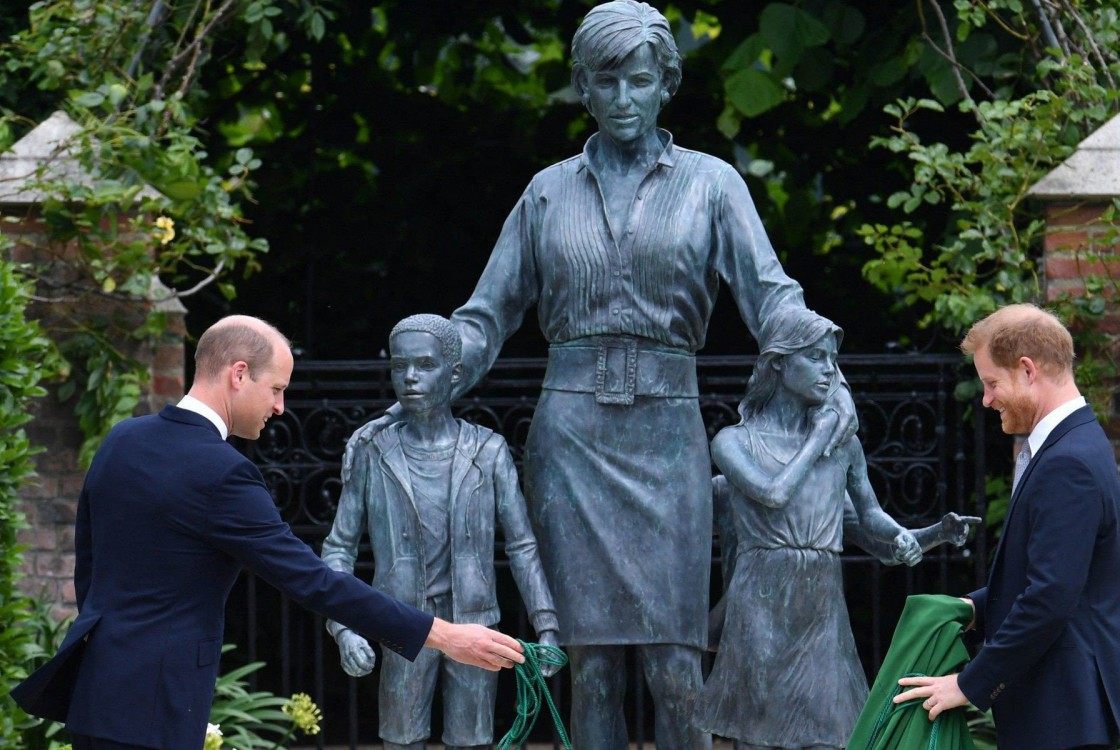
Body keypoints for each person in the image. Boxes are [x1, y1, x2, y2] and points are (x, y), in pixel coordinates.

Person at [345, 3, 859, 746]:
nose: (624, 99)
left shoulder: (713, 185)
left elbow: (770, 294)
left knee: (677, 663)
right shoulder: (546, 192)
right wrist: (433, 364)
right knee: (590, 668)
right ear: (583, 87)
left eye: (640, 81)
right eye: (607, 81)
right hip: (574, 440)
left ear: (665, 86)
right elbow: (486, 316)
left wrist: (821, 355)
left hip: (667, 435)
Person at [10, 315, 525, 750]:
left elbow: (90, 565)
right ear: (239, 374)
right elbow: (313, 580)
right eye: (276, 389)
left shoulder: (123, 439)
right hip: (159, 706)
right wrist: (445, 635)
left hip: (94, 693)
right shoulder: (223, 472)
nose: (279, 407)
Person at [694, 304, 963, 749]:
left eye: (832, 361)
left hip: (820, 604)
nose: (828, 371)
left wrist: (927, 534)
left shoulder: (844, 447)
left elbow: (871, 519)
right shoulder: (734, 441)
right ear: (779, 363)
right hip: (761, 599)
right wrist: (819, 436)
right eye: (815, 357)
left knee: (830, 735)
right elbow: (773, 495)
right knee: (759, 736)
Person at [893, 304, 1120, 750]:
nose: (986, 399)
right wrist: (970, 607)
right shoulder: (1073, 445)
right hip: (1063, 712)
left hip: (1063, 716)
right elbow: (1052, 578)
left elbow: (1049, 599)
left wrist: (967, 684)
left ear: (1027, 370)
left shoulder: (1068, 461)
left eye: (991, 383)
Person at [322, 314, 560, 750]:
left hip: (475, 621)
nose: (410, 377)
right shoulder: (374, 453)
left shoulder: (488, 452)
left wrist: (546, 625)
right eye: (399, 366)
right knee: (401, 739)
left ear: (454, 374)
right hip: (401, 621)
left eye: (425, 365)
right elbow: (339, 548)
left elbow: (523, 545)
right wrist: (344, 627)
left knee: (472, 742)